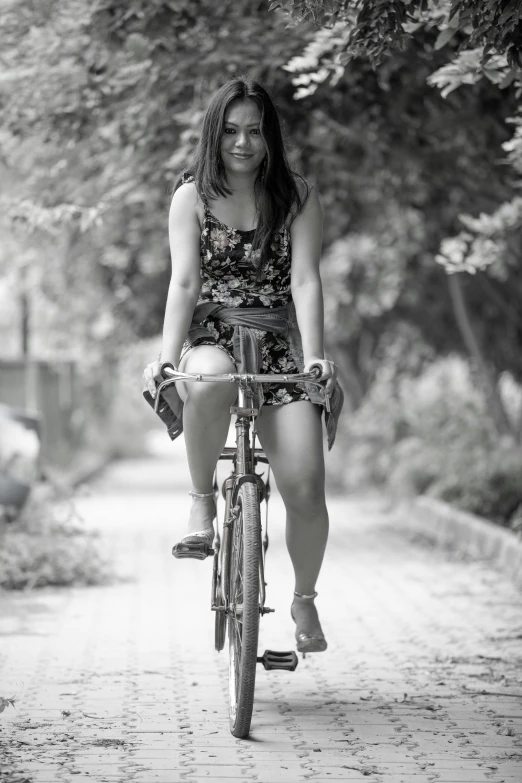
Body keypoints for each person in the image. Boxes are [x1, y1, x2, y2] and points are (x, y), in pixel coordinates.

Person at [143, 77, 343, 654]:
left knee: (306, 484)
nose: (242, 142)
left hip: (280, 342)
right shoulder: (191, 198)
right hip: (214, 333)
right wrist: (163, 357)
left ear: (269, 136)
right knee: (206, 379)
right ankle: (202, 500)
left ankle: (303, 599)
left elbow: (306, 279)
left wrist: (316, 358)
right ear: (214, 133)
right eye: (230, 130)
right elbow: (183, 282)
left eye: (254, 130)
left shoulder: (299, 196)